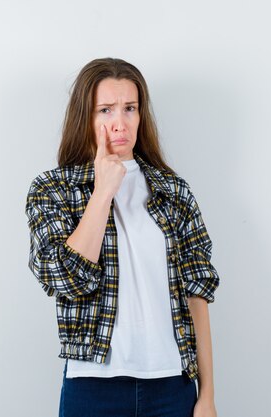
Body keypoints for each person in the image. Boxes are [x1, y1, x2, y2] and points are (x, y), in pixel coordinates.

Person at [24, 57, 221, 417]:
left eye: (130, 108)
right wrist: (103, 193)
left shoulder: (173, 191)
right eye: (106, 110)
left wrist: (206, 394)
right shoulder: (54, 189)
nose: (120, 122)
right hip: (93, 385)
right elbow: (66, 278)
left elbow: (197, 294)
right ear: (86, 116)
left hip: (172, 384)